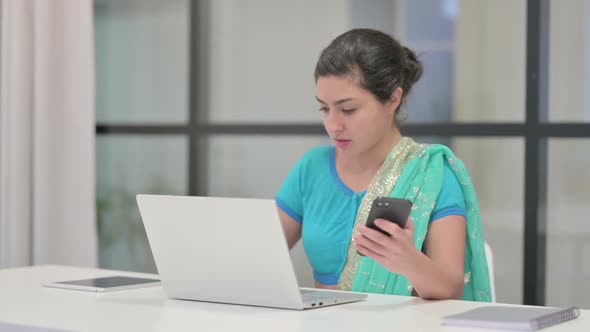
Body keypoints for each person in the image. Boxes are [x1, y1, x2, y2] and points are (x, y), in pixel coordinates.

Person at [275, 28, 491, 301]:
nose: (333, 125)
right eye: (324, 108)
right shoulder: (312, 167)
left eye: (348, 110)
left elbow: (450, 288)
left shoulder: (431, 173)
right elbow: (261, 256)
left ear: (393, 99)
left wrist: (408, 260)